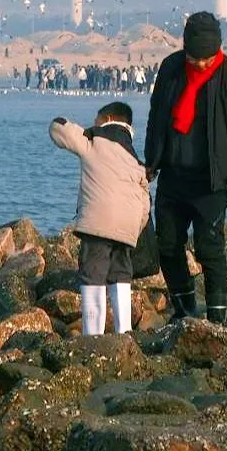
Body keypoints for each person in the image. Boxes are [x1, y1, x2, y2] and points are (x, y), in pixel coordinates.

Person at [144, 11, 227, 325]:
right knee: (167, 245)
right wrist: (151, 162)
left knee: (210, 250)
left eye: (205, 60)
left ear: (216, 52)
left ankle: (217, 320)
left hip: (212, 180)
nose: (199, 65)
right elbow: (157, 117)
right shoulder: (171, 68)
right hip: (173, 176)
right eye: (194, 58)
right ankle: (184, 308)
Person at [49, 101, 150, 336]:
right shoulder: (134, 158)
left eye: (96, 120)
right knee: (120, 275)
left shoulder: (94, 142)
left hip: (98, 223)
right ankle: (124, 332)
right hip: (127, 227)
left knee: (93, 275)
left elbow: (58, 128)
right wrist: (135, 227)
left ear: (107, 119)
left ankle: (93, 336)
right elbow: (145, 202)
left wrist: (89, 132)